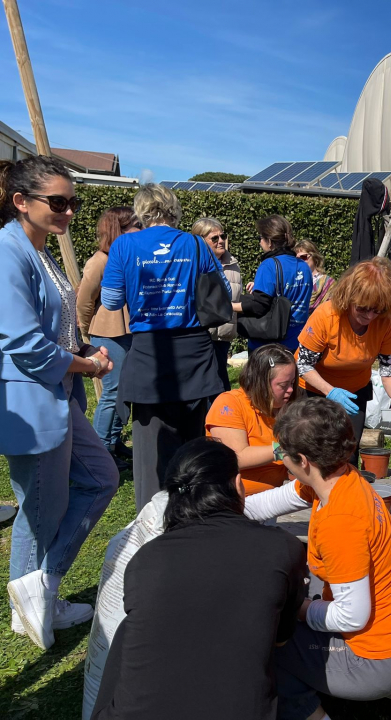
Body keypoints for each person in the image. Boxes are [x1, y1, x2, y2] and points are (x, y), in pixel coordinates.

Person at [91, 438, 307, 720]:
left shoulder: (146, 559)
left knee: (127, 629)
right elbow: (280, 640)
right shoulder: (281, 548)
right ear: (238, 484)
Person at [0, 156, 119, 650]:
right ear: (21, 201)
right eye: (58, 202)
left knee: (101, 479)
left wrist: (85, 348)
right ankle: (30, 606)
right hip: (32, 400)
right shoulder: (8, 251)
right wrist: (86, 365)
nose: (69, 211)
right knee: (40, 509)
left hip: (58, 394)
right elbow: (22, 342)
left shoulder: (41, 250)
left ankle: (42, 589)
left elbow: (55, 328)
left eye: (73, 202)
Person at [245, 398, 391, 719]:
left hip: (374, 660)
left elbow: (352, 617)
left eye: (282, 452)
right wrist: (219, 514)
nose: (280, 458)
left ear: (303, 461)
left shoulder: (341, 523)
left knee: (261, 642)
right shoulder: (340, 478)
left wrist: (296, 609)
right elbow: (271, 501)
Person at [101, 183, 230, 512]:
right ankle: (195, 515)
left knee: (152, 457)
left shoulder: (124, 244)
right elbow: (222, 293)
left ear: (142, 211)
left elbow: (111, 301)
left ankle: (154, 523)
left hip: (149, 354)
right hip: (195, 355)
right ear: (173, 209)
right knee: (196, 448)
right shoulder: (196, 244)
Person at [296, 257, 391, 463]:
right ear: (349, 297)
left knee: (348, 450)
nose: (369, 316)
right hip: (314, 389)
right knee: (313, 451)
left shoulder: (384, 324)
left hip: (355, 392)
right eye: (362, 308)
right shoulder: (326, 316)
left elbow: (388, 370)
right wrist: (330, 391)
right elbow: (303, 365)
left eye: (377, 310)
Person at [77, 207, 139, 469]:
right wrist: (86, 331)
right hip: (107, 332)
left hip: (127, 331)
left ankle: (113, 441)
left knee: (125, 389)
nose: (141, 229)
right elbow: (84, 300)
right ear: (119, 229)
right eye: (136, 224)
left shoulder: (126, 256)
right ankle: (101, 449)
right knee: (112, 392)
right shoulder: (100, 261)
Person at [206, 345, 300, 496]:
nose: (290, 389)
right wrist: (286, 450)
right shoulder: (230, 403)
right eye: (283, 385)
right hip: (234, 498)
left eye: (292, 382)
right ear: (261, 382)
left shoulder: (285, 406)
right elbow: (236, 457)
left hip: (275, 494)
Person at [234, 215, 312, 352]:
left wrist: (230, 306)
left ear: (269, 241)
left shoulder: (269, 265)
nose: (260, 242)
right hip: (297, 341)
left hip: (268, 346)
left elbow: (259, 306)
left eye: (260, 238)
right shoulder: (304, 266)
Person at [192, 217, 242, 392]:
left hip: (224, 334)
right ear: (201, 240)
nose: (221, 241)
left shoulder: (233, 263)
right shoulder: (192, 264)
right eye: (214, 238)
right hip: (202, 332)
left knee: (221, 380)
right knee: (205, 384)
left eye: (223, 236)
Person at [294, 239, 335, 311]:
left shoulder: (328, 283)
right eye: (297, 259)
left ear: (314, 257)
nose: (300, 261)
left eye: (303, 257)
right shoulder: (292, 282)